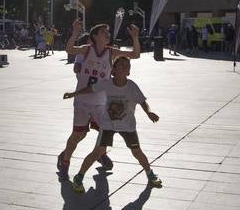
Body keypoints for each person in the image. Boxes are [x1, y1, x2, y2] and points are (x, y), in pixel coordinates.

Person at [63, 56, 162, 193]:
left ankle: (150, 174)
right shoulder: (107, 83)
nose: (125, 67)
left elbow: (142, 101)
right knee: (97, 152)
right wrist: (74, 93)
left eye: (127, 66)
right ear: (113, 71)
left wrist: (149, 112)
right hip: (108, 125)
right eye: (121, 65)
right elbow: (90, 89)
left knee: (137, 152)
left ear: (129, 72)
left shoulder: (132, 86)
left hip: (128, 126)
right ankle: (79, 177)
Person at [57, 19, 140, 178]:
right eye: (104, 32)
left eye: (108, 32)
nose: (107, 34)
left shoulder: (111, 52)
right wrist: (75, 33)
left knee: (106, 133)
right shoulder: (86, 50)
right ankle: (65, 162)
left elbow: (135, 54)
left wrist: (135, 37)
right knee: (78, 135)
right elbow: (69, 49)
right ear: (95, 36)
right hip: (82, 102)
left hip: (101, 104)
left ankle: (100, 155)